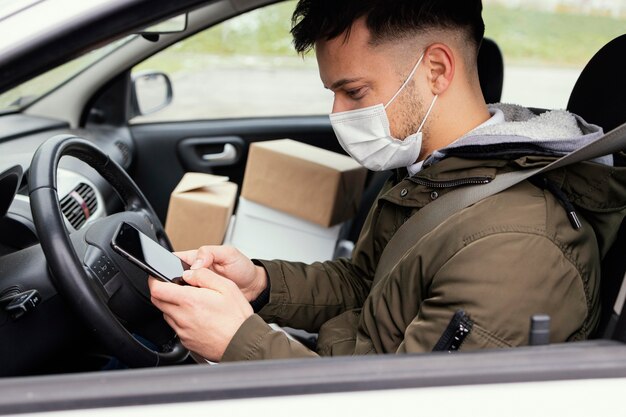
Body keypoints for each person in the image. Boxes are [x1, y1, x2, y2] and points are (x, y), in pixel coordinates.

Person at [149, 0, 626, 362]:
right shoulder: (438, 170)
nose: (337, 114)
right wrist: (262, 283)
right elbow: (367, 284)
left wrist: (240, 342)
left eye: (353, 91)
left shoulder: (517, 246)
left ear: (436, 70)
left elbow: (405, 403)